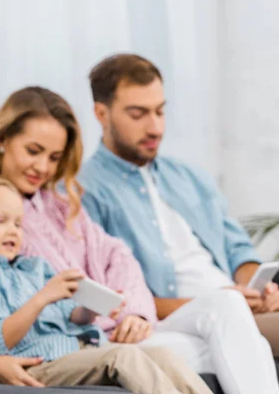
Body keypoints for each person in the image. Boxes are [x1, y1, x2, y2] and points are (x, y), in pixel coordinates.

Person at [0, 85, 279, 394]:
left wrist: (135, 315)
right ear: (3, 140)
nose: (42, 167)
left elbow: (121, 260)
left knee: (227, 309)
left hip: (116, 330)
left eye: (54, 158)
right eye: (33, 150)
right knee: (235, 348)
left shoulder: (63, 207)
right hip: (80, 346)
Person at [79, 52, 279, 354]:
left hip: (236, 307)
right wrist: (219, 302)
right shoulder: (83, 191)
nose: (155, 128)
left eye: (160, 112)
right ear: (101, 114)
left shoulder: (189, 176)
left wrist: (260, 290)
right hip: (179, 318)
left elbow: (238, 251)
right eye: (138, 114)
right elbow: (110, 297)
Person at [0, 173, 211, 393]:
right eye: (0, 221)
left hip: (77, 348)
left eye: (18, 224)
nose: (12, 230)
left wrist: (93, 308)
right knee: (123, 356)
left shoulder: (32, 267)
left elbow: (70, 315)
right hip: (40, 364)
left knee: (163, 355)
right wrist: (43, 297)